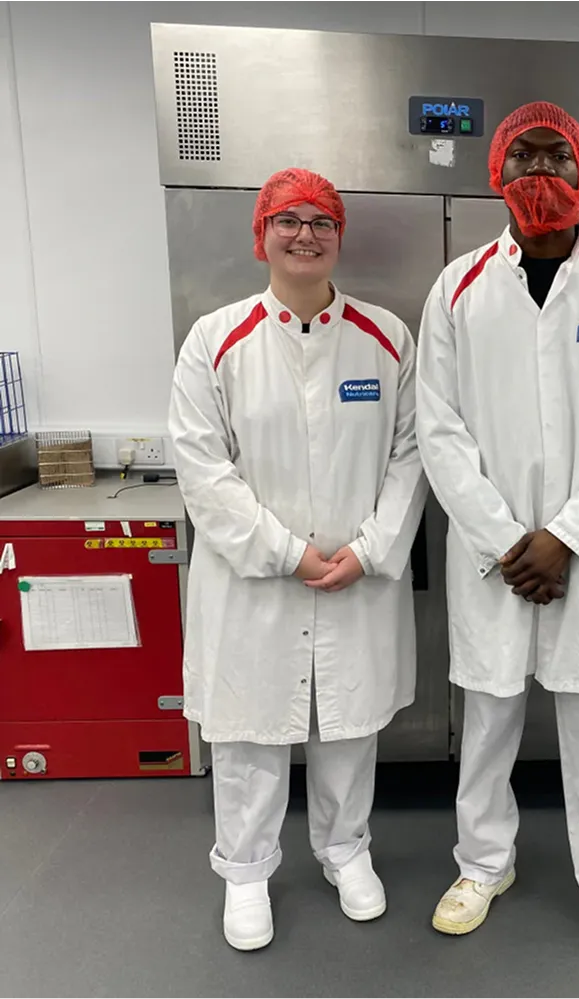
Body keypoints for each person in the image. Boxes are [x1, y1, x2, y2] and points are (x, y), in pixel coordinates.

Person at [415, 101, 579, 968]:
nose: (539, 169)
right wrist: (506, 539)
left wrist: (566, 534)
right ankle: (483, 864)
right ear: (496, 173)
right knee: (488, 717)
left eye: (555, 154)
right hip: (494, 557)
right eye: (522, 154)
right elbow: (439, 429)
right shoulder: (457, 287)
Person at [168, 167, 427, 951]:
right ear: (262, 235)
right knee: (247, 726)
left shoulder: (387, 338)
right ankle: (246, 870)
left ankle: (346, 850)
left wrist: (371, 549)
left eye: (321, 222)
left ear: (339, 236)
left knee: (347, 723)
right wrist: (286, 553)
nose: (305, 235)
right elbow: (201, 468)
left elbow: (414, 454)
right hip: (255, 581)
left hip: (356, 572)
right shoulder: (217, 340)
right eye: (288, 220)